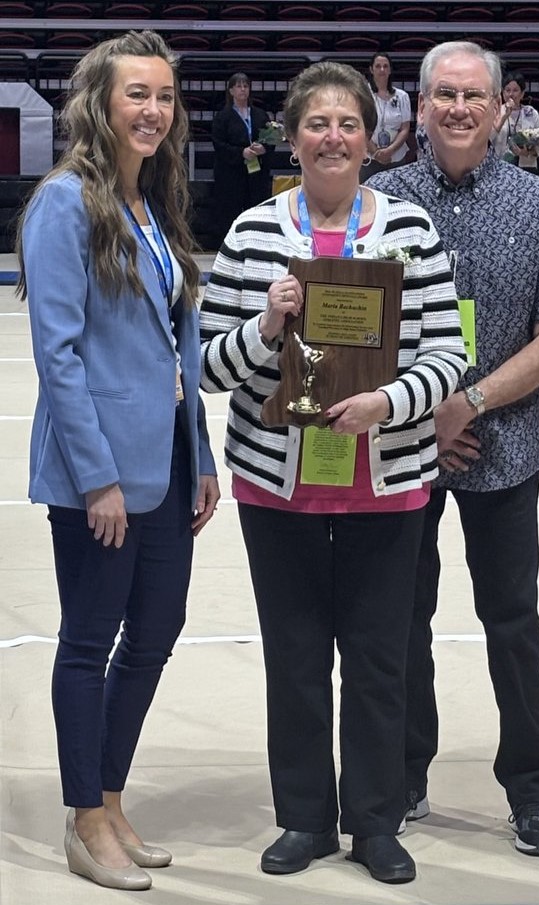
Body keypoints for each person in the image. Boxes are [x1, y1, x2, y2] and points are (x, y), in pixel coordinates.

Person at [200, 60, 467, 885]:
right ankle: (306, 819)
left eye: (348, 123)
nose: (333, 136)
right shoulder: (250, 236)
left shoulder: (411, 230)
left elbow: (451, 354)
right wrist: (266, 326)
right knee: (295, 656)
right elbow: (210, 370)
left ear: (370, 137)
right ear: (292, 135)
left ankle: (377, 822)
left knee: (382, 659)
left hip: (386, 486)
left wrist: (388, 404)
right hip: (276, 488)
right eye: (316, 122)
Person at [367, 40, 539, 857]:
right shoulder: (379, 198)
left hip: (504, 451)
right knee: (400, 622)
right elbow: (364, 331)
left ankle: (531, 789)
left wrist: (466, 404)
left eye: (474, 96)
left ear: (503, 108)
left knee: (512, 622)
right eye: (443, 96)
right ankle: (404, 772)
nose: (458, 109)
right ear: (419, 107)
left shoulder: (538, 206)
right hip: (404, 452)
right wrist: (420, 415)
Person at [16, 30, 219, 890]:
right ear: (98, 102)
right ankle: (83, 817)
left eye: (165, 96)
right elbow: (57, 353)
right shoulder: (65, 203)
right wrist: (97, 476)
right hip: (99, 472)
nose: (154, 110)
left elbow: (178, 344)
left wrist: (201, 452)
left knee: (157, 631)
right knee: (89, 639)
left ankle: (109, 792)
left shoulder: (155, 202)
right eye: (137, 94)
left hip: (168, 463)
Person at [211, 72, 275, 245]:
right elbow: (219, 145)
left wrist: (264, 148)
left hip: (256, 173)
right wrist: (241, 152)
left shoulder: (260, 114)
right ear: (231, 91)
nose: (242, 89)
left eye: (245, 86)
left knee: (256, 208)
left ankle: (257, 244)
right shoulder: (222, 117)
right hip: (231, 174)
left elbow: (271, 139)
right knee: (230, 210)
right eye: (238, 86)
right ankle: (230, 245)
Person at [362, 52, 411, 181]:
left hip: (396, 157)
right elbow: (359, 127)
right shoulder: (363, 95)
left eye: (385, 66)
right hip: (369, 157)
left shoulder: (402, 96)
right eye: (378, 66)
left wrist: (389, 150)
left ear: (390, 70)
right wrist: (375, 152)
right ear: (371, 70)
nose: (382, 69)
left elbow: (405, 129)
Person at [491, 71, 539, 169]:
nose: (511, 94)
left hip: (526, 164)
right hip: (499, 165)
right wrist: (503, 118)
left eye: (515, 90)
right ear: (502, 92)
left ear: (522, 93)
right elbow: (488, 138)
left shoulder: (531, 113)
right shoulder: (495, 112)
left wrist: (526, 152)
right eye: (507, 90)